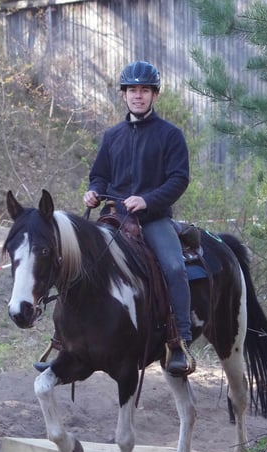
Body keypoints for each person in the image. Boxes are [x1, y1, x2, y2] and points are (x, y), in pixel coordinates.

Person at [83, 60, 195, 376]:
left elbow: (179, 179)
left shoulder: (171, 136)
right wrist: (93, 192)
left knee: (174, 267)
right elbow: (99, 175)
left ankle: (179, 340)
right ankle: (68, 339)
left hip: (153, 220)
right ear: (124, 95)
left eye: (144, 90)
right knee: (79, 261)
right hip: (114, 219)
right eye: (132, 90)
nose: (138, 95)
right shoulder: (111, 136)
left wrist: (147, 200)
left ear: (154, 95)